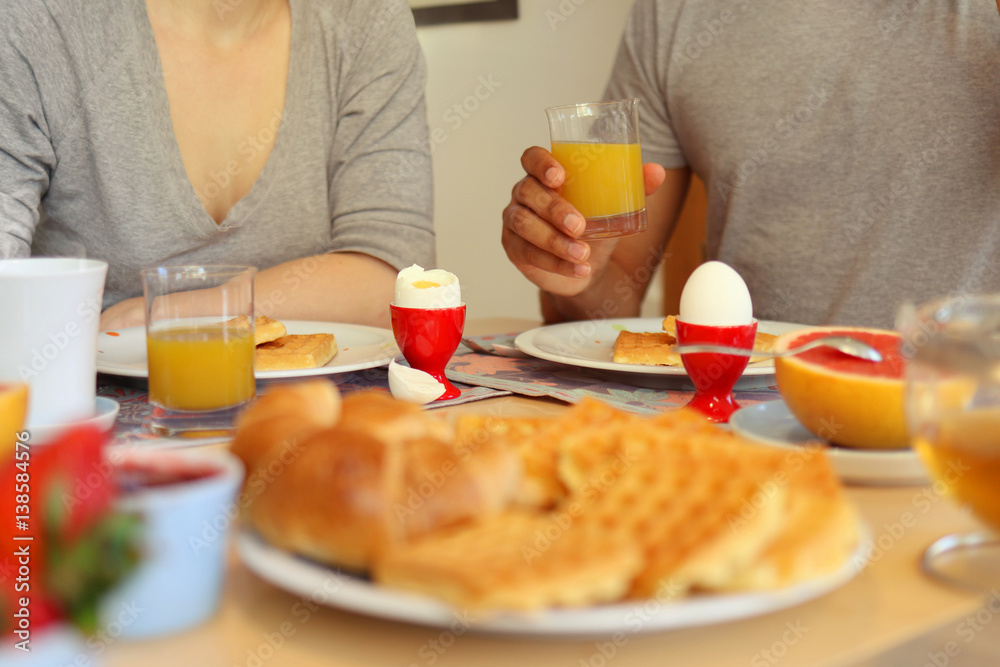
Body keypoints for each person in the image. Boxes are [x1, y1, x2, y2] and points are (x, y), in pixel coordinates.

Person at [503, 0, 1000, 329]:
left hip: (968, 421)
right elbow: (611, 297)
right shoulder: (673, 12)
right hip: (747, 426)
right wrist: (574, 270)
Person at [0, 0, 434, 330]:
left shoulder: (366, 19)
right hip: (80, 422)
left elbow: (396, 284)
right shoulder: (32, 23)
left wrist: (168, 315)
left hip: (312, 418)